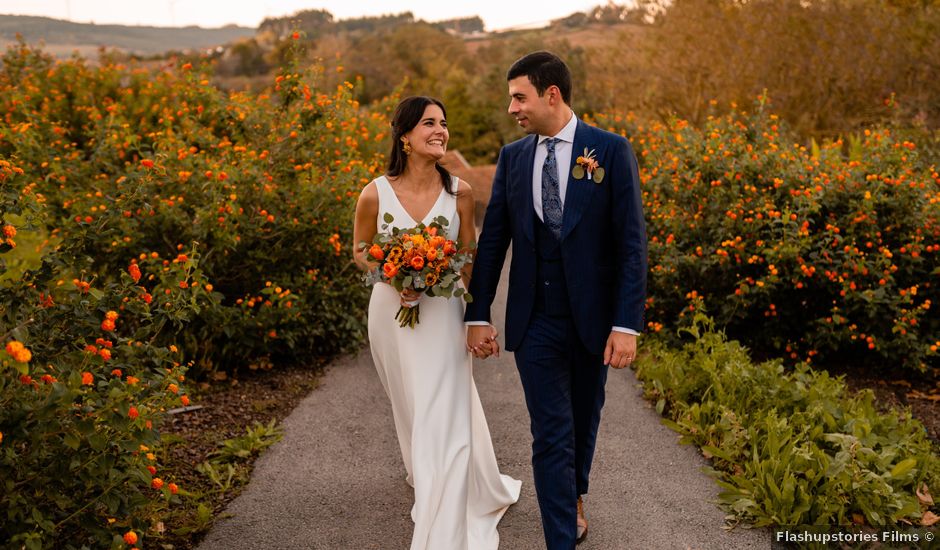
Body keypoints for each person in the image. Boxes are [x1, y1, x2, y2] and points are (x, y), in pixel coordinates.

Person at [465, 51, 648, 549]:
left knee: (583, 421)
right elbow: (494, 240)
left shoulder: (609, 151)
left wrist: (626, 325)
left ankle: (575, 494)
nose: (512, 109)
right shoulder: (514, 157)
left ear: (552, 95)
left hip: (592, 320)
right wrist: (478, 313)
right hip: (535, 320)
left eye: (519, 97)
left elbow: (631, 244)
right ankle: (560, 539)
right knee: (550, 433)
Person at [353, 96, 521, 550]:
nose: (440, 131)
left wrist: (478, 318)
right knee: (411, 405)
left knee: (438, 407)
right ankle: (425, 472)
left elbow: (469, 256)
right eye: (429, 123)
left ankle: (441, 519)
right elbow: (359, 249)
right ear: (404, 136)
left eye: (443, 124)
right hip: (391, 316)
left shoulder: (460, 191)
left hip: (444, 314)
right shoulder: (375, 192)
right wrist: (393, 271)